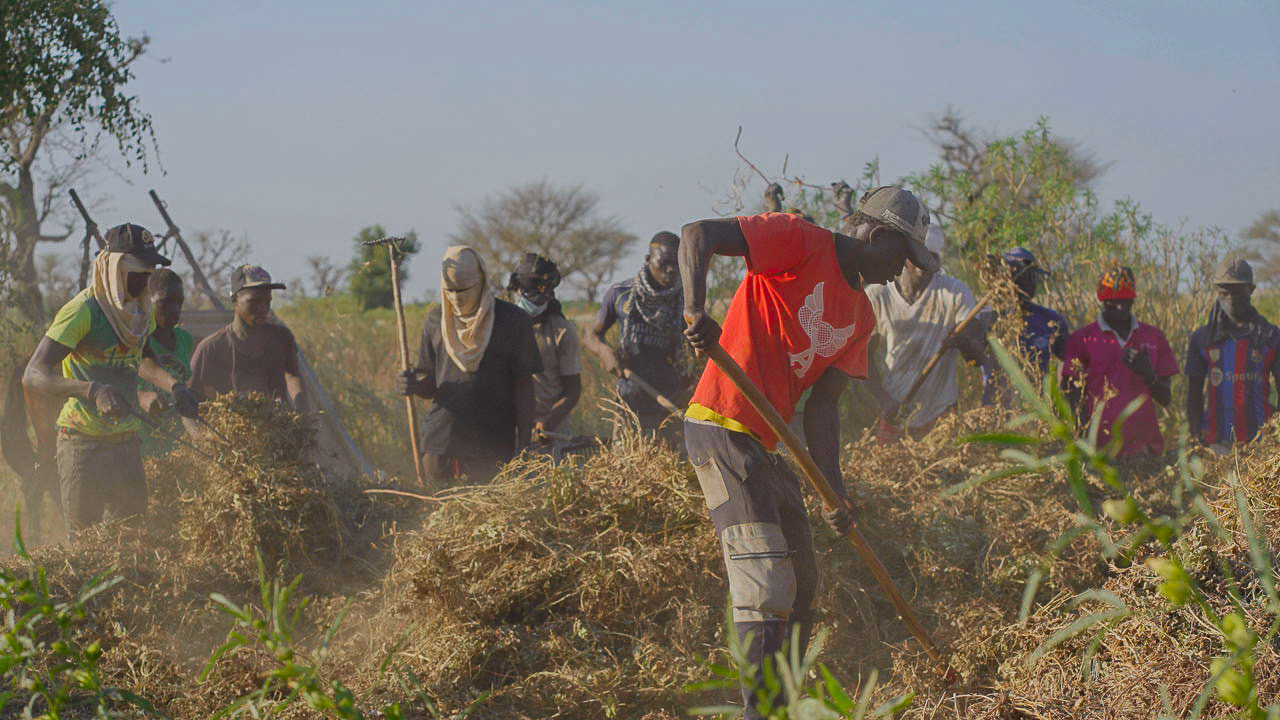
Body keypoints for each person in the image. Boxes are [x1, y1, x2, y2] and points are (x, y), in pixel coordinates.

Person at [680, 186, 939, 718]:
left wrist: (835, 494)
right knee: (765, 583)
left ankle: (784, 703)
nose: (900, 271)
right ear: (879, 235)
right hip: (720, 424)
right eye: (902, 255)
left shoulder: (862, 317)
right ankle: (762, 712)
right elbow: (696, 235)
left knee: (802, 583)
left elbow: (824, 410)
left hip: (769, 442)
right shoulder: (799, 240)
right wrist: (695, 312)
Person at [22, 223, 199, 531]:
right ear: (117, 268)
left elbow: (142, 357)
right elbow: (34, 375)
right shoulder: (84, 311)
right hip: (82, 443)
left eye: (150, 272)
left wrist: (175, 385)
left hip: (127, 443)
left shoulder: (138, 310)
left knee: (133, 542)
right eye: (141, 272)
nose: (147, 280)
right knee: (87, 545)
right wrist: (92, 390)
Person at [397, 246, 542, 483]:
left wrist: (524, 445)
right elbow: (430, 384)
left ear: (482, 281)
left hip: (491, 445)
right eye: (450, 290)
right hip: (441, 443)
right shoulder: (435, 321)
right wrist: (411, 384)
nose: (457, 297)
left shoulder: (512, 321)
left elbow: (524, 386)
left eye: (464, 290)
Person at [866, 225, 984, 441]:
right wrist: (884, 400)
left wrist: (962, 342)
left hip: (941, 412)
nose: (924, 265)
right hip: (895, 410)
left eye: (932, 258)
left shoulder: (956, 293)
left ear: (939, 262)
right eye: (918, 258)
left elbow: (977, 358)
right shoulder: (878, 295)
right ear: (904, 258)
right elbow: (861, 359)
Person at [585, 232, 693, 444]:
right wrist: (604, 352)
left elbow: (699, 353)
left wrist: (692, 387)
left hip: (672, 404)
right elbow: (592, 334)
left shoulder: (689, 301)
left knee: (671, 472)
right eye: (664, 263)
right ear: (648, 260)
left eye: (676, 264)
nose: (671, 269)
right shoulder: (621, 293)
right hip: (630, 401)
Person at [1062, 266, 1179, 457]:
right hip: (1099, 453)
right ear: (1102, 301)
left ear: (1133, 299)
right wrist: (1083, 443)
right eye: (1112, 302)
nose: (1119, 308)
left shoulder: (1154, 337)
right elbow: (1071, 397)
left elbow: (1165, 398)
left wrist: (1149, 374)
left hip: (1145, 452)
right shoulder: (1083, 339)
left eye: (1124, 302)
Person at [1186, 259, 1280, 449]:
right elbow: (1194, 394)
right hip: (1216, 445)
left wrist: (1275, 437)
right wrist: (1196, 437)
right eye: (1224, 292)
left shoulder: (1271, 337)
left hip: (1262, 447)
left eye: (1237, 291)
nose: (1230, 298)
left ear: (1251, 290)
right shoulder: (1203, 338)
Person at [189, 265, 307, 410]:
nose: (263, 308)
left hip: (278, 425)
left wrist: (301, 407)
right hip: (233, 428)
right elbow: (191, 398)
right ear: (235, 298)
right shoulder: (211, 348)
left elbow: (292, 375)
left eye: (267, 302)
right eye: (255, 301)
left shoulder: (281, 338)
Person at [980, 248, 1070, 407]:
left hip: (1039, 407)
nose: (1029, 283)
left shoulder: (1051, 320)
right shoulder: (986, 318)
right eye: (1024, 277)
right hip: (997, 406)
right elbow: (972, 353)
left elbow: (1072, 362)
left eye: (1032, 277)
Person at [507, 253, 582, 438]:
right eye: (530, 296)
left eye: (542, 297)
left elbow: (572, 390)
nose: (536, 302)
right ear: (516, 290)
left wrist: (549, 421)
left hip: (550, 432)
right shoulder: (501, 325)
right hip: (509, 428)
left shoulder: (562, 331)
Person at [137, 269, 197, 455]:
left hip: (176, 444)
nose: (175, 309)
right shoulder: (135, 339)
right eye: (166, 302)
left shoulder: (185, 340)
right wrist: (141, 397)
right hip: (142, 442)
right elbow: (116, 381)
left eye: (179, 303)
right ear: (148, 301)